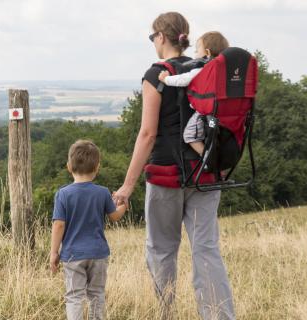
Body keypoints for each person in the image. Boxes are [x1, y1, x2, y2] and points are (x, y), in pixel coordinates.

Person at [112, 12, 236, 320]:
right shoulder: (207, 67)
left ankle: (165, 313)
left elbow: (147, 134)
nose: (153, 42)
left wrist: (127, 187)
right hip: (206, 173)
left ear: (162, 37)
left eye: (152, 37)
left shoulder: (156, 75)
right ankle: (219, 315)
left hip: (166, 175)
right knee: (206, 249)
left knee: (162, 249)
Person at [49, 139, 127, 320]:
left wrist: (54, 252)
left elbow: (59, 224)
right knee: (96, 294)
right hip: (98, 254)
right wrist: (124, 205)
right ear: (97, 167)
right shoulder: (102, 192)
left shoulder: (63, 194)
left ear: (69, 166)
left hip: (73, 254)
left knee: (74, 296)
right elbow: (114, 216)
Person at [158, 31, 230, 156]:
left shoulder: (203, 68)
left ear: (207, 53)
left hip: (205, 112)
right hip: (222, 112)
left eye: (197, 51)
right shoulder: (225, 69)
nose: (195, 54)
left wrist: (165, 79)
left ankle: (208, 159)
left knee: (190, 135)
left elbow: (183, 80)